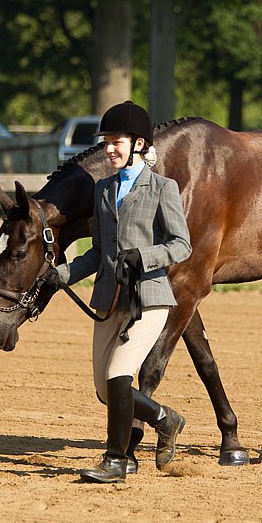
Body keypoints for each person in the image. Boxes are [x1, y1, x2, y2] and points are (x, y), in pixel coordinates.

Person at [40, 101, 192, 483]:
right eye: (106, 141)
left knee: (119, 375)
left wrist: (144, 256)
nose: (109, 148)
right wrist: (62, 274)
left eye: (116, 141)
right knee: (106, 390)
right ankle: (165, 418)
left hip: (149, 297)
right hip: (108, 298)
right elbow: (98, 252)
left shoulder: (162, 188)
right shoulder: (103, 189)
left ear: (138, 143)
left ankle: (117, 460)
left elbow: (181, 245)